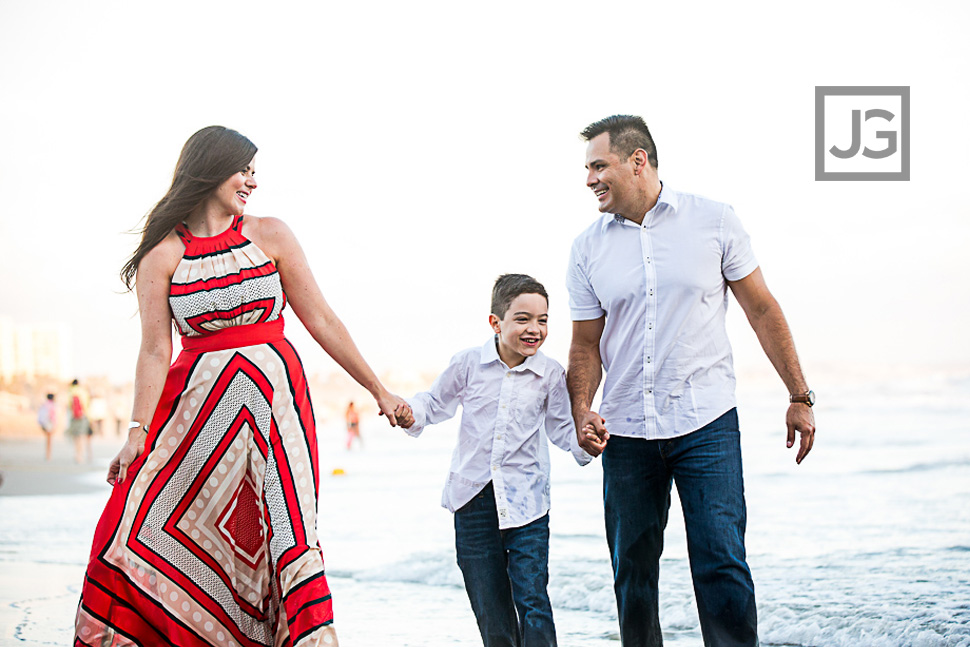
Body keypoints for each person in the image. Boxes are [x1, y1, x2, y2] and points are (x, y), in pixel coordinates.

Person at [74, 126, 411, 647]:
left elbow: (320, 319)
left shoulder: (270, 234)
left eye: (255, 171)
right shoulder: (163, 254)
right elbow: (155, 350)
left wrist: (378, 390)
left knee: (285, 531)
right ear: (210, 169)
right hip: (198, 421)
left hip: (278, 415)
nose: (252, 181)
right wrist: (137, 430)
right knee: (149, 524)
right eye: (244, 169)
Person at [566, 115, 816, 647]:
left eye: (598, 166)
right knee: (632, 571)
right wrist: (581, 409)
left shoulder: (714, 220)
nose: (589, 179)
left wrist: (798, 394)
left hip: (706, 423)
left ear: (638, 161)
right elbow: (586, 343)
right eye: (587, 168)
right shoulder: (587, 248)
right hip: (627, 431)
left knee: (721, 560)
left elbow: (762, 308)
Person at [403, 274, 602, 647]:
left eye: (542, 320)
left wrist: (584, 443)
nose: (534, 329)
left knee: (533, 601)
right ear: (496, 323)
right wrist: (410, 413)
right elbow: (433, 404)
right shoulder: (468, 365)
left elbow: (561, 428)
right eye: (523, 319)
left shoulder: (550, 374)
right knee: (491, 609)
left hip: (526, 505)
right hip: (472, 501)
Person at [66, 379, 93, 463]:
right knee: (81, 436)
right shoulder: (83, 392)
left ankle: (76, 454)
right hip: (82, 417)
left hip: (73, 417)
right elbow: (86, 406)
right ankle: (81, 456)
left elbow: (68, 406)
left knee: (75, 436)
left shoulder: (70, 392)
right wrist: (89, 418)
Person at [37, 392, 57, 461]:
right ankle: (48, 455)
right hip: (50, 423)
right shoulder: (52, 405)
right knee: (49, 440)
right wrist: (54, 425)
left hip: (44, 423)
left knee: (47, 439)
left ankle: (47, 454)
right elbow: (53, 416)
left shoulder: (44, 404)